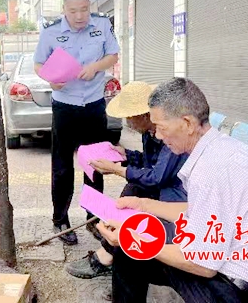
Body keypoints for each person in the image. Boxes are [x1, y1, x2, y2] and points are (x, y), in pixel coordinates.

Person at [98, 78, 248, 303]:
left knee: (130, 247)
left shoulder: (210, 170)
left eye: (161, 128)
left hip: (231, 288)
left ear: (187, 123)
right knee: (130, 247)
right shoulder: (219, 148)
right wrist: (143, 204)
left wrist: (132, 240)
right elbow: (198, 210)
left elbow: (203, 264)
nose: (158, 136)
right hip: (227, 263)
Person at [65, 81, 188, 279]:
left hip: (176, 197)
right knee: (133, 189)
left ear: (145, 116)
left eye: (130, 117)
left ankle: (107, 256)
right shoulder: (149, 132)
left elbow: (156, 177)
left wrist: (117, 169)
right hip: (163, 187)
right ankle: (108, 250)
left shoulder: (168, 134)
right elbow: (151, 162)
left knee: (134, 191)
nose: (128, 123)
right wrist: (126, 155)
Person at [33, 0, 120, 245]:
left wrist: (96, 67)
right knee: (62, 167)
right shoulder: (50, 32)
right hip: (65, 107)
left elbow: (113, 55)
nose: (80, 16)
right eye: (73, 11)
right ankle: (61, 219)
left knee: (95, 164)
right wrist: (50, 80)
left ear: (89, 5)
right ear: (64, 9)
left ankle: (93, 219)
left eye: (84, 9)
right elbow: (39, 63)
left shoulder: (101, 25)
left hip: (94, 105)